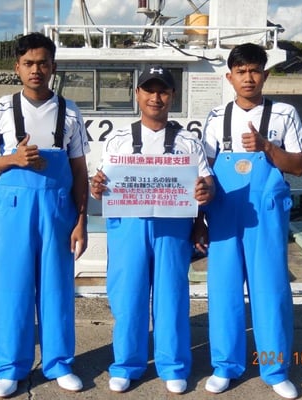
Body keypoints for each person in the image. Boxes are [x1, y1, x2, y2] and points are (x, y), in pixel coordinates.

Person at [0, 32, 90, 398]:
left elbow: (80, 172)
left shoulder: (70, 112)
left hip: (58, 211)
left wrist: (82, 220)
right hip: (14, 211)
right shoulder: (2, 109)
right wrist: (13, 158)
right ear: (17, 68)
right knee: (13, 289)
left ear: (53, 67)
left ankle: (59, 363)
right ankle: (11, 368)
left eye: (42, 63)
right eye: (28, 63)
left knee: (57, 288)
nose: (35, 69)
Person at [90, 65, 214, 394]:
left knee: (171, 296)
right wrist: (96, 187)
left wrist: (205, 195)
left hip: (173, 227)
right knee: (127, 296)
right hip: (127, 226)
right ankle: (126, 365)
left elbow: (208, 182)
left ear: (172, 96)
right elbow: (100, 185)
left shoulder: (189, 141)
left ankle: (173, 365)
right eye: (149, 89)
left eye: (162, 91)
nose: (155, 97)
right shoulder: (117, 140)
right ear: (137, 94)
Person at [199, 43, 302, 399]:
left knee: (271, 290)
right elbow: (205, 172)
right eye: (241, 71)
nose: (248, 77)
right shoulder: (215, 117)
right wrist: (199, 216)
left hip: (266, 215)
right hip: (224, 213)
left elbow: (299, 166)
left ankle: (275, 369)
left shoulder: (284, 114)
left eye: (255, 70)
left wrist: (267, 148)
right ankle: (225, 366)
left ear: (266, 74)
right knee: (224, 291)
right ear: (229, 77)